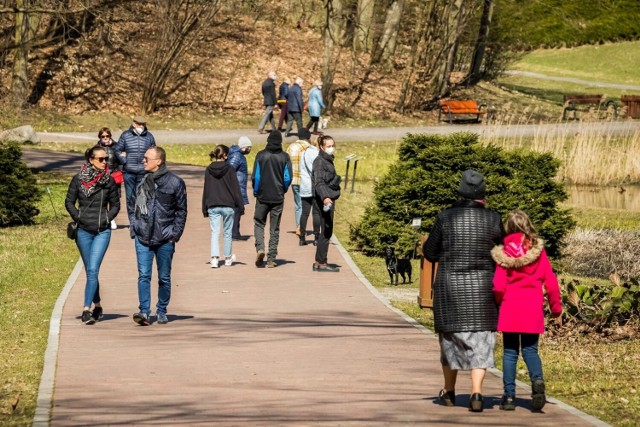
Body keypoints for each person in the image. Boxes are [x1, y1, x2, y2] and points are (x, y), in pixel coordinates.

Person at [422, 169, 503, 412]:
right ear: (482, 193)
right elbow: (502, 251)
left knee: (450, 340)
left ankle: (449, 392)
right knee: (481, 342)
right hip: (482, 290)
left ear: (460, 192)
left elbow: (430, 252)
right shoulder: (494, 219)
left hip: (450, 290)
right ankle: (477, 394)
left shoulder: (445, 217)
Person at [491, 210, 563, 411]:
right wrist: (556, 309)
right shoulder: (538, 251)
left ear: (508, 228)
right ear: (528, 225)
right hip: (532, 309)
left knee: (510, 352)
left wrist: (498, 302)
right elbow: (551, 282)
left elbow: (498, 285)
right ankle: (537, 382)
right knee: (531, 350)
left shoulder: (504, 252)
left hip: (510, 308)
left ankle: (509, 397)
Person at [129, 146, 187, 326]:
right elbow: (132, 207)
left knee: (164, 277)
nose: (143, 160)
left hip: (165, 238)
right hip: (143, 237)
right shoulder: (142, 181)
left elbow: (181, 211)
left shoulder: (175, 183)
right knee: (144, 275)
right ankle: (144, 311)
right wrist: (135, 227)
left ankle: (162, 310)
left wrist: (174, 234)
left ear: (159, 161)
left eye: (147, 158)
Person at [65, 145, 120, 325]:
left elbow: (116, 205)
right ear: (91, 160)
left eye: (106, 159)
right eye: (101, 159)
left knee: (92, 270)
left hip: (101, 231)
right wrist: (78, 217)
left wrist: (106, 218)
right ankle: (98, 305)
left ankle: (86, 310)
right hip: (83, 231)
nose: (105, 162)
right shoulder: (78, 179)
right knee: (91, 271)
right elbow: (69, 202)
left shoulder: (109, 181)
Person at [251, 130, 293, 268]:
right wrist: (283, 189)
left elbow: (256, 176)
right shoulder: (285, 157)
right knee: (274, 229)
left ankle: (260, 248)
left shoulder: (261, 155)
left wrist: (257, 191)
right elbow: (287, 178)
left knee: (259, 223)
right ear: (280, 142)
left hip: (262, 196)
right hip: (278, 197)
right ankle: (271, 258)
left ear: (268, 140)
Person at [203, 144, 244, 268]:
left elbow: (206, 189)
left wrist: (204, 207)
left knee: (215, 232)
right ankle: (227, 257)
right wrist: (240, 205)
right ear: (225, 155)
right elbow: (236, 189)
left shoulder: (208, 169)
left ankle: (214, 258)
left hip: (213, 204)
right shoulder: (230, 169)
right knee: (227, 232)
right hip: (228, 204)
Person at [115, 116, 156, 218]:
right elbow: (117, 150)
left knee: (143, 197)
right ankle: (133, 221)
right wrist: (125, 161)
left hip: (144, 173)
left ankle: (141, 220)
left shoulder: (149, 137)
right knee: (130, 198)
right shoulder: (125, 135)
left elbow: (154, 152)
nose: (141, 126)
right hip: (129, 172)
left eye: (143, 124)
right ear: (133, 124)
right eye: (139, 124)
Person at [312, 135, 341, 272]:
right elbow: (319, 183)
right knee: (326, 230)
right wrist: (325, 197)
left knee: (327, 230)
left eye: (332, 145)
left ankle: (320, 260)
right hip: (324, 200)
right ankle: (321, 262)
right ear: (321, 147)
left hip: (329, 198)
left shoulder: (327, 160)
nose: (331, 148)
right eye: (328, 146)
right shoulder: (320, 162)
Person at [286, 127, 311, 238]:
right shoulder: (309, 148)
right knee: (306, 205)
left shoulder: (291, 147)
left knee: (298, 204)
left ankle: (298, 226)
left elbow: (286, 163)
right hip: (306, 180)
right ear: (308, 137)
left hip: (294, 180)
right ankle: (303, 226)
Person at [227, 136, 252, 241]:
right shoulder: (237, 156)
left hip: (238, 187)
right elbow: (229, 170)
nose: (250, 150)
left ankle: (235, 232)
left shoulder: (239, 155)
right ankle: (234, 234)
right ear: (243, 147)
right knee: (236, 211)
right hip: (236, 188)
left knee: (238, 211)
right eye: (248, 147)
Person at [97, 127, 121, 230]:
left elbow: (121, 161)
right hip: (101, 176)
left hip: (114, 176)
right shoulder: (96, 148)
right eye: (103, 136)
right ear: (100, 137)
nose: (105, 138)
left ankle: (112, 219)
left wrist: (119, 171)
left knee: (114, 199)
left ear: (110, 136)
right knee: (103, 198)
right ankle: (105, 218)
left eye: (107, 136)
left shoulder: (117, 147)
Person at [299, 132, 321, 246]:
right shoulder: (316, 154)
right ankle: (317, 237)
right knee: (316, 213)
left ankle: (302, 237)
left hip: (304, 186)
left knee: (304, 213)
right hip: (314, 186)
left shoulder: (303, 152)